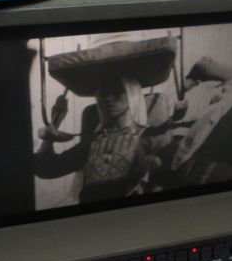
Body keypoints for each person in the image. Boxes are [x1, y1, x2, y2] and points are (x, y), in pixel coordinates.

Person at [34, 76, 163, 203]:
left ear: (132, 93)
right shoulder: (92, 143)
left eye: (117, 92)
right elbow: (46, 168)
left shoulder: (148, 137)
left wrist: (156, 169)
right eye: (104, 93)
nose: (108, 98)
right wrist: (53, 127)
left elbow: (172, 175)